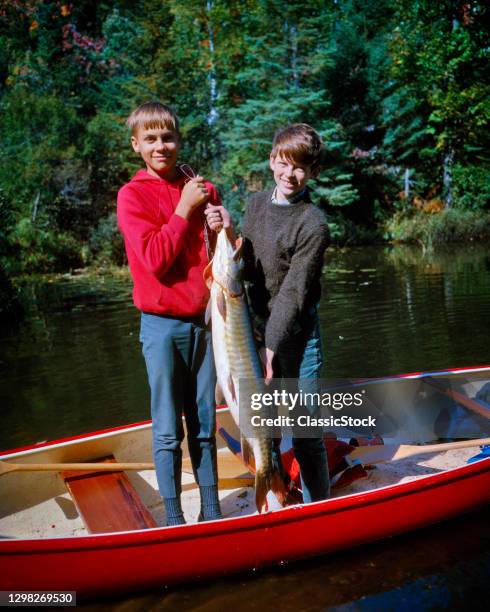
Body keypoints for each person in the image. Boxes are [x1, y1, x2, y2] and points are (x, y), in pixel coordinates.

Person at [205, 123, 330, 503]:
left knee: (305, 430)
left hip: (297, 338)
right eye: (283, 162)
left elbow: (294, 290)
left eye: (300, 167)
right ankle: (276, 491)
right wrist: (227, 233)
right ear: (271, 159)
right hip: (255, 335)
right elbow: (248, 269)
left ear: (312, 172)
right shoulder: (256, 204)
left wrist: (272, 347)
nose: (289, 174)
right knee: (267, 428)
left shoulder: (314, 223)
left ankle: (318, 506)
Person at [117, 101, 222, 525]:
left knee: (205, 423)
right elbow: (155, 259)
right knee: (167, 428)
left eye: (168, 137)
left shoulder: (203, 187)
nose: (161, 146)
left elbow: (222, 261)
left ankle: (212, 510)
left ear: (179, 140)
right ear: (137, 146)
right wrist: (184, 209)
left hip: (207, 323)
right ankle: (174, 518)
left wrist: (223, 228)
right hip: (161, 326)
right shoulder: (132, 195)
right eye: (151, 139)